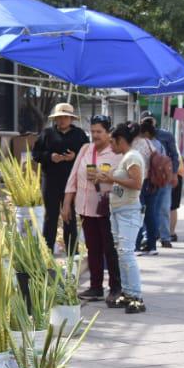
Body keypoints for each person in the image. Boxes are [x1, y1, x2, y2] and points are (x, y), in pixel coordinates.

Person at [62, 116, 121, 304]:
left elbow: (124, 183)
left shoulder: (117, 153)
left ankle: (116, 287)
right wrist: (66, 204)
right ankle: (96, 287)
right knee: (92, 248)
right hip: (84, 207)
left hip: (106, 208)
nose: (95, 135)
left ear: (108, 132)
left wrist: (106, 177)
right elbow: (72, 177)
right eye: (92, 131)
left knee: (109, 249)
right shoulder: (85, 149)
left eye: (99, 132)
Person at [102, 123, 148, 314]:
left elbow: (136, 184)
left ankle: (136, 296)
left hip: (128, 211)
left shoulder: (132, 157)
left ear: (121, 140)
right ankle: (128, 292)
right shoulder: (125, 158)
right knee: (122, 253)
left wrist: (112, 179)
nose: (110, 146)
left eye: (112, 141)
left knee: (127, 253)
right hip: (119, 211)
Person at [31, 102, 88, 254]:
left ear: (71, 119)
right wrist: (50, 157)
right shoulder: (46, 134)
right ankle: (46, 251)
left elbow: (88, 156)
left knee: (69, 216)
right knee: (51, 216)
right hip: (50, 181)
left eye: (65, 117)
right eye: (59, 117)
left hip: (72, 182)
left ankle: (72, 252)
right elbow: (35, 154)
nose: (62, 120)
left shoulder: (80, 135)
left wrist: (75, 157)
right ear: (55, 119)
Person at [133, 116, 171, 255]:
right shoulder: (153, 144)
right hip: (153, 183)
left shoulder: (135, 144)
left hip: (140, 183)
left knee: (137, 213)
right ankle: (152, 246)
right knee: (151, 214)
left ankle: (136, 245)